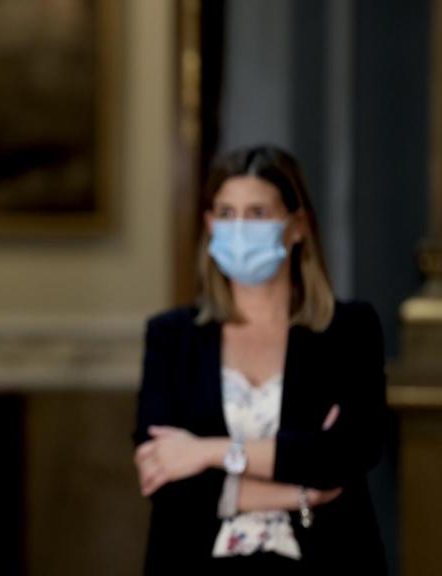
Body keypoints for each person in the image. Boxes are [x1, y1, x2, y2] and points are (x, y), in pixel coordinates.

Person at [132, 145, 386, 574]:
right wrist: (302, 493)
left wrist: (206, 452)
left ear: (297, 226)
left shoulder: (348, 329)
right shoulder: (172, 336)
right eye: (226, 214)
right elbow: (167, 482)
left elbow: (344, 455)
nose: (240, 228)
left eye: (257, 213)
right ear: (210, 224)